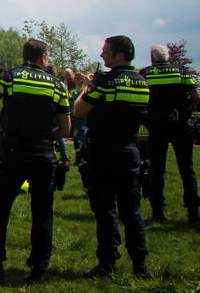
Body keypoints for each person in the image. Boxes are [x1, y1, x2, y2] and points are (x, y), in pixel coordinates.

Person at [0, 39, 71, 285]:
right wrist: (47, 137)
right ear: (44, 57)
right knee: (42, 212)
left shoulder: (10, 78)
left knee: (0, 210)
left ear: (24, 55)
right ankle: (38, 268)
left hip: (12, 152)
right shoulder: (57, 85)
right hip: (42, 154)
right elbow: (66, 128)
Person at [73, 35, 150, 278]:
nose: (102, 55)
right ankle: (140, 265)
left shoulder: (105, 81)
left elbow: (79, 109)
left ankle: (106, 263)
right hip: (130, 151)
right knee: (132, 211)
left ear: (119, 54)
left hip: (103, 152)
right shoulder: (142, 82)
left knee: (106, 210)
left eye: (106, 51)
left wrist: (88, 85)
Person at [140, 44, 199, 224]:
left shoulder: (146, 74)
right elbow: (196, 96)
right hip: (180, 123)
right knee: (186, 169)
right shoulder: (181, 72)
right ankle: (192, 212)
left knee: (157, 170)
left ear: (152, 57)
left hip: (157, 125)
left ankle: (158, 211)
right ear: (169, 56)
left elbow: (141, 99)